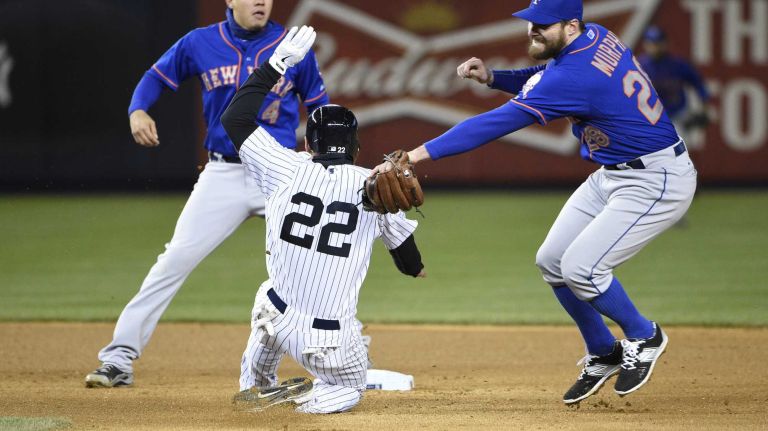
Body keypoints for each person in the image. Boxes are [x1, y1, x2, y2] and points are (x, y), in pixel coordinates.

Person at [373, 0, 696, 405]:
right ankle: (602, 349)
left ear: (572, 26)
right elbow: (544, 78)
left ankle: (645, 335)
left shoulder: (574, 75)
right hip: (614, 173)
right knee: (552, 261)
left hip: (656, 179)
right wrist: (495, 77)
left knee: (583, 269)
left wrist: (418, 154)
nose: (533, 31)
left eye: (543, 25)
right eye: (531, 23)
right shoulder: (596, 39)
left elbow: (492, 124)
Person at [85, 0, 329, 388]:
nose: (261, 1)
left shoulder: (292, 44)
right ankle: (118, 358)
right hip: (224, 172)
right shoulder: (200, 42)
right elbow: (155, 77)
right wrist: (138, 110)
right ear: (230, 0)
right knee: (174, 261)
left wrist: (326, 157)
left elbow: (320, 108)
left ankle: (342, 353)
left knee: (322, 260)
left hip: (280, 170)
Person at [221, 26, 426, 414]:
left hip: (278, 319)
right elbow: (409, 261)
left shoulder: (284, 165)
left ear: (308, 144)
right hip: (328, 343)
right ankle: (309, 400)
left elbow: (234, 118)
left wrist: (276, 64)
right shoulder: (373, 185)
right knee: (351, 385)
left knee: (270, 293)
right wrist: (415, 268)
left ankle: (257, 382)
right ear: (357, 147)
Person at [639, 25, 710, 150]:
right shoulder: (639, 66)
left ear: (665, 43)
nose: (655, 47)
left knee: (680, 153)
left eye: (658, 42)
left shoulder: (677, 64)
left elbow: (698, 83)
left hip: (677, 116)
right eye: (651, 43)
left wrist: (704, 108)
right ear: (645, 44)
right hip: (650, 119)